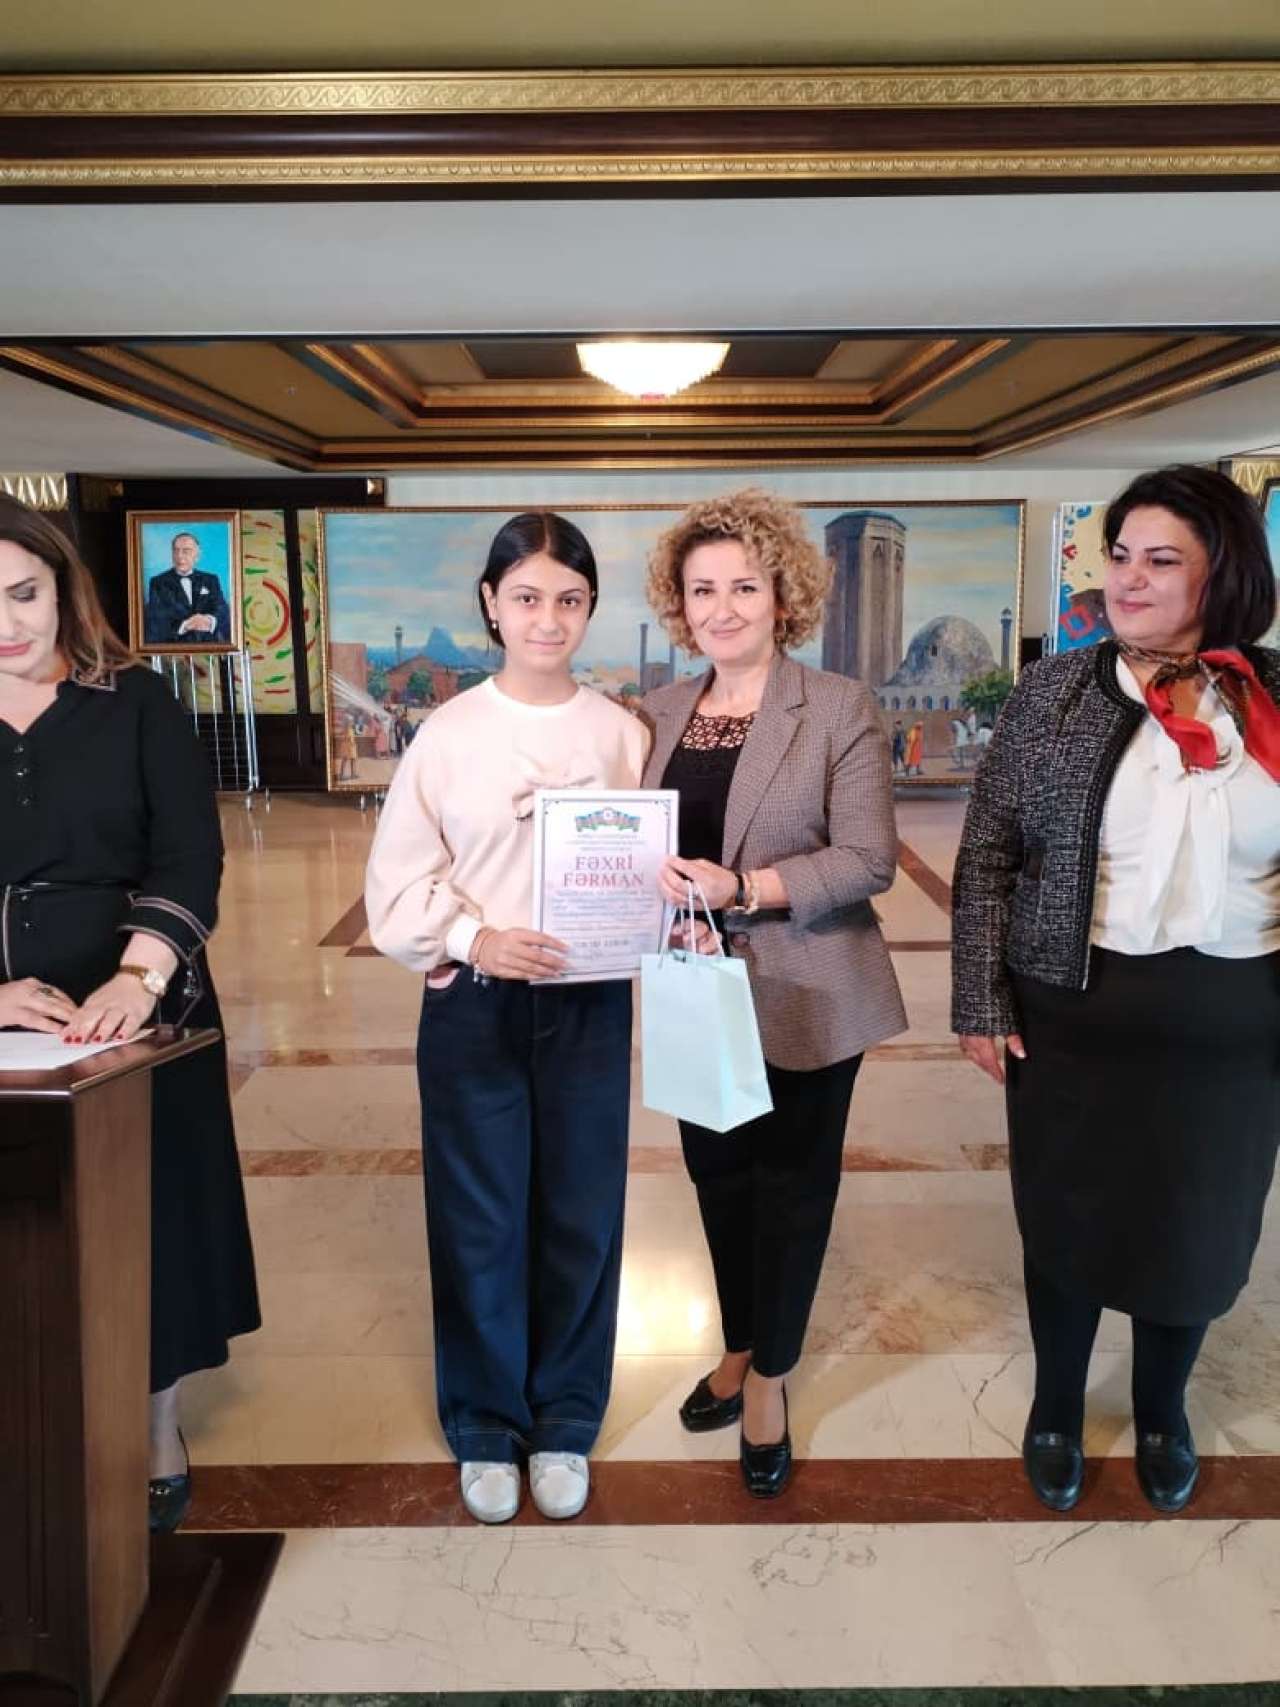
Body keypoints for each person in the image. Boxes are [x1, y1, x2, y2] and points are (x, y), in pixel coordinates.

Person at [952, 464, 1280, 1516]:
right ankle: (1055, 1405)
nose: (1127, 581)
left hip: (1237, 1028)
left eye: (1161, 560)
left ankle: (1161, 1408)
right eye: (1120, 557)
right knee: (1066, 1220)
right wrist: (980, 1001)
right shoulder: (1052, 693)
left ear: (1223, 573)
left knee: (1199, 1228)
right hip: (1074, 1014)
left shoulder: (1274, 694)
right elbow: (986, 855)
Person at [365, 511, 649, 1526]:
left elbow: (645, 864)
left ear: (589, 608)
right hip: (475, 1004)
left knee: (581, 1213)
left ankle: (566, 1415)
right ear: (490, 603)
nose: (547, 619)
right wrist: (472, 939)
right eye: (526, 597)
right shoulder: (447, 734)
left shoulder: (621, 733)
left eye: (568, 600)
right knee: (479, 1217)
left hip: (588, 1003)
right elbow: (395, 885)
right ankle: (485, 1422)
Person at [0, 496, 259, 1532]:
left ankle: (155, 1422)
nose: (7, 624)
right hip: (6, 1015)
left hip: (138, 1002)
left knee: (151, 1219)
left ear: (64, 587)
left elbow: (190, 853)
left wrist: (136, 980)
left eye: (23, 594)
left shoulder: (135, 699)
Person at [640, 488, 906, 1497]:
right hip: (692, 986)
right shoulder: (656, 712)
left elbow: (869, 859)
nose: (722, 607)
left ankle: (770, 1378)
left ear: (782, 595)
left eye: (743, 587)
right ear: (678, 604)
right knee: (717, 1179)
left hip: (808, 986)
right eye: (701, 589)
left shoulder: (835, 705)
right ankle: (739, 1341)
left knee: (791, 1190)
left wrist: (744, 889)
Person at [144, 531, 232, 645]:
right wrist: (185, 625)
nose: (179, 556)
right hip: (175, 645)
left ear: (197, 556)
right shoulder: (158, 583)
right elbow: (156, 618)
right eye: (176, 551)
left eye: (186, 551)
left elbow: (222, 608)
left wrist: (209, 620)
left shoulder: (211, 580)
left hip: (209, 645)